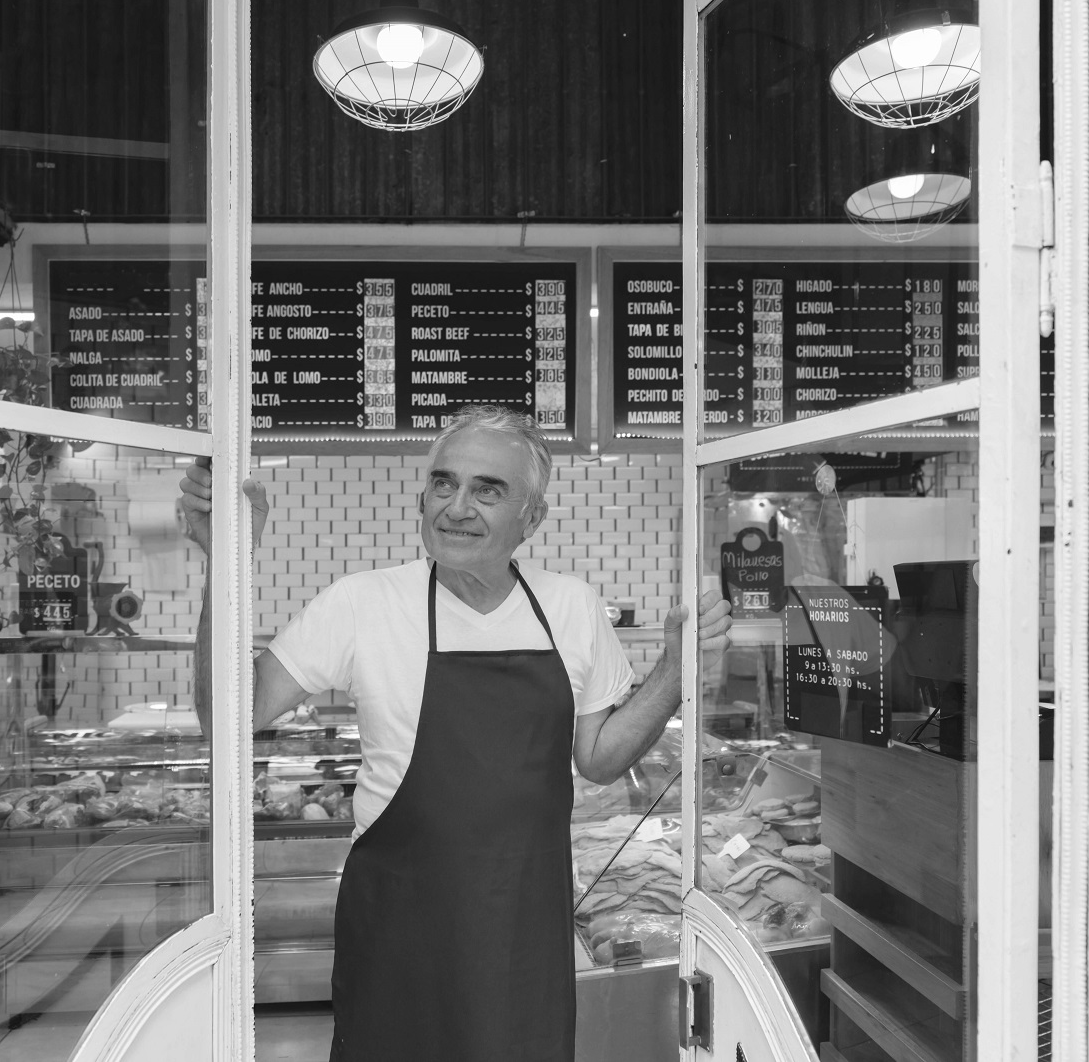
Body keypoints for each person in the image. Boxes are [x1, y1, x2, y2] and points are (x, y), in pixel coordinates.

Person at [179, 405, 732, 1062]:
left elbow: (601, 759)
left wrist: (675, 670)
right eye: (444, 483)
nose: (456, 506)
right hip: (396, 928)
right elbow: (226, 718)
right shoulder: (364, 603)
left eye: (486, 490)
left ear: (532, 518)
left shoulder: (570, 608)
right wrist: (225, 559)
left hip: (523, 932)